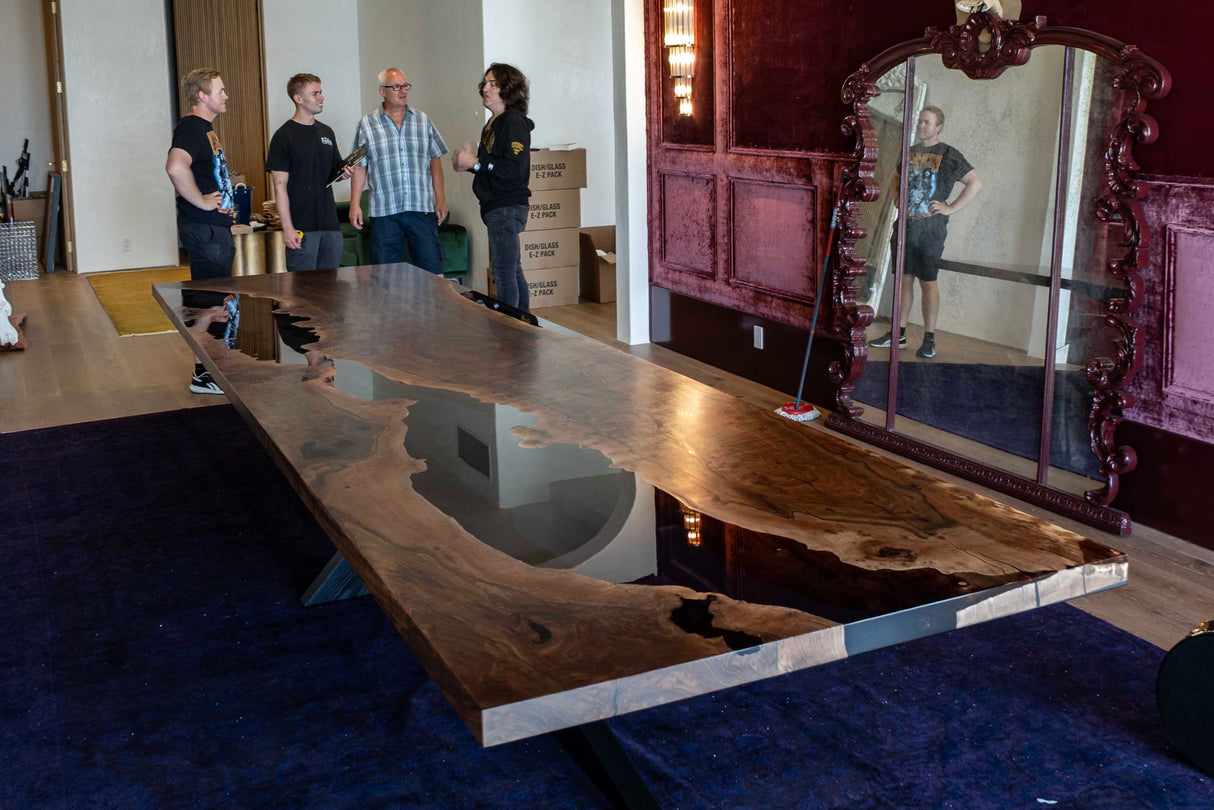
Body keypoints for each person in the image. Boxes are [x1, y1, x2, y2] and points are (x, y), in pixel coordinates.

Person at [870, 105, 982, 359]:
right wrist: (898, 196)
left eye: (927, 122)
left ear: (938, 127)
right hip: (906, 225)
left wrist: (950, 208)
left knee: (928, 282)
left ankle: (929, 338)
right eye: (920, 121)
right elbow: (895, 176)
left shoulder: (949, 154)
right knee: (904, 279)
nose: (922, 126)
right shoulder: (910, 152)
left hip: (930, 229)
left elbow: (976, 182)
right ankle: (897, 334)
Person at [166, 67, 236, 395]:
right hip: (205, 230)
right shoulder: (192, 128)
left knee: (217, 301)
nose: (226, 96)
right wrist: (204, 202)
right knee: (208, 303)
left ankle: (213, 368)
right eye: (220, 91)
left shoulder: (205, 130)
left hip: (214, 229)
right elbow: (175, 166)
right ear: (201, 96)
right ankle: (203, 375)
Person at [452, 63, 534, 312]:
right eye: (485, 83)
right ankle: (524, 325)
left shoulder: (513, 122)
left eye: (493, 84)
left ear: (508, 89)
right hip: (495, 206)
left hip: (507, 206)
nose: (485, 89)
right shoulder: (493, 124)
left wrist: (475, 164)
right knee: (512, 269)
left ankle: (511, 332)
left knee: (504, 272)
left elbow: (512, 169)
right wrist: (466, 164)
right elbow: (491, 167)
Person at [349, 68, 449, 273]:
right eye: (396, 87)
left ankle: (432, 307)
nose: (402, 91)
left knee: (432, 271)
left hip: (420, 207)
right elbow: (360, 167)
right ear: (382, 91)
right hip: (384, 210)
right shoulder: (367, 125)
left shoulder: (423, 120)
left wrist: (440, 198)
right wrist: (354, 204)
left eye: (405, 86)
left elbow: (435, 162)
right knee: (385, 277)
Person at [266, 73, 350, 272]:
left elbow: (334, 170)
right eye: (315, 93)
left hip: (330, 226)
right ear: (299, 98)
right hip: (302, 227)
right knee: (303, 293)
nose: (321, 97)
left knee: (329, 291)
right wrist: (287, 227)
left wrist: (344, 172)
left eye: (320, 92)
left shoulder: (327, 132)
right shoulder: (284, 136)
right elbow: (279, 185)